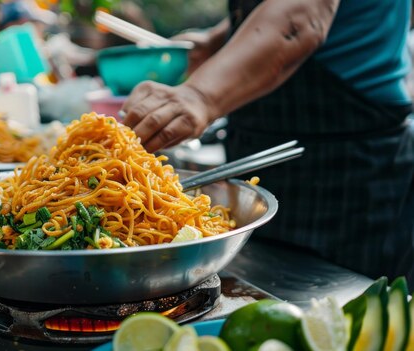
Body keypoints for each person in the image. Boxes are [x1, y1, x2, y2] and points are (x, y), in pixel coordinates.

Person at [121, 0, 414, 282]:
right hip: (269, 155)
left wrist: (199, 95)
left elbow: (299, 19)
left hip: (349, 166)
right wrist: (218, 39)